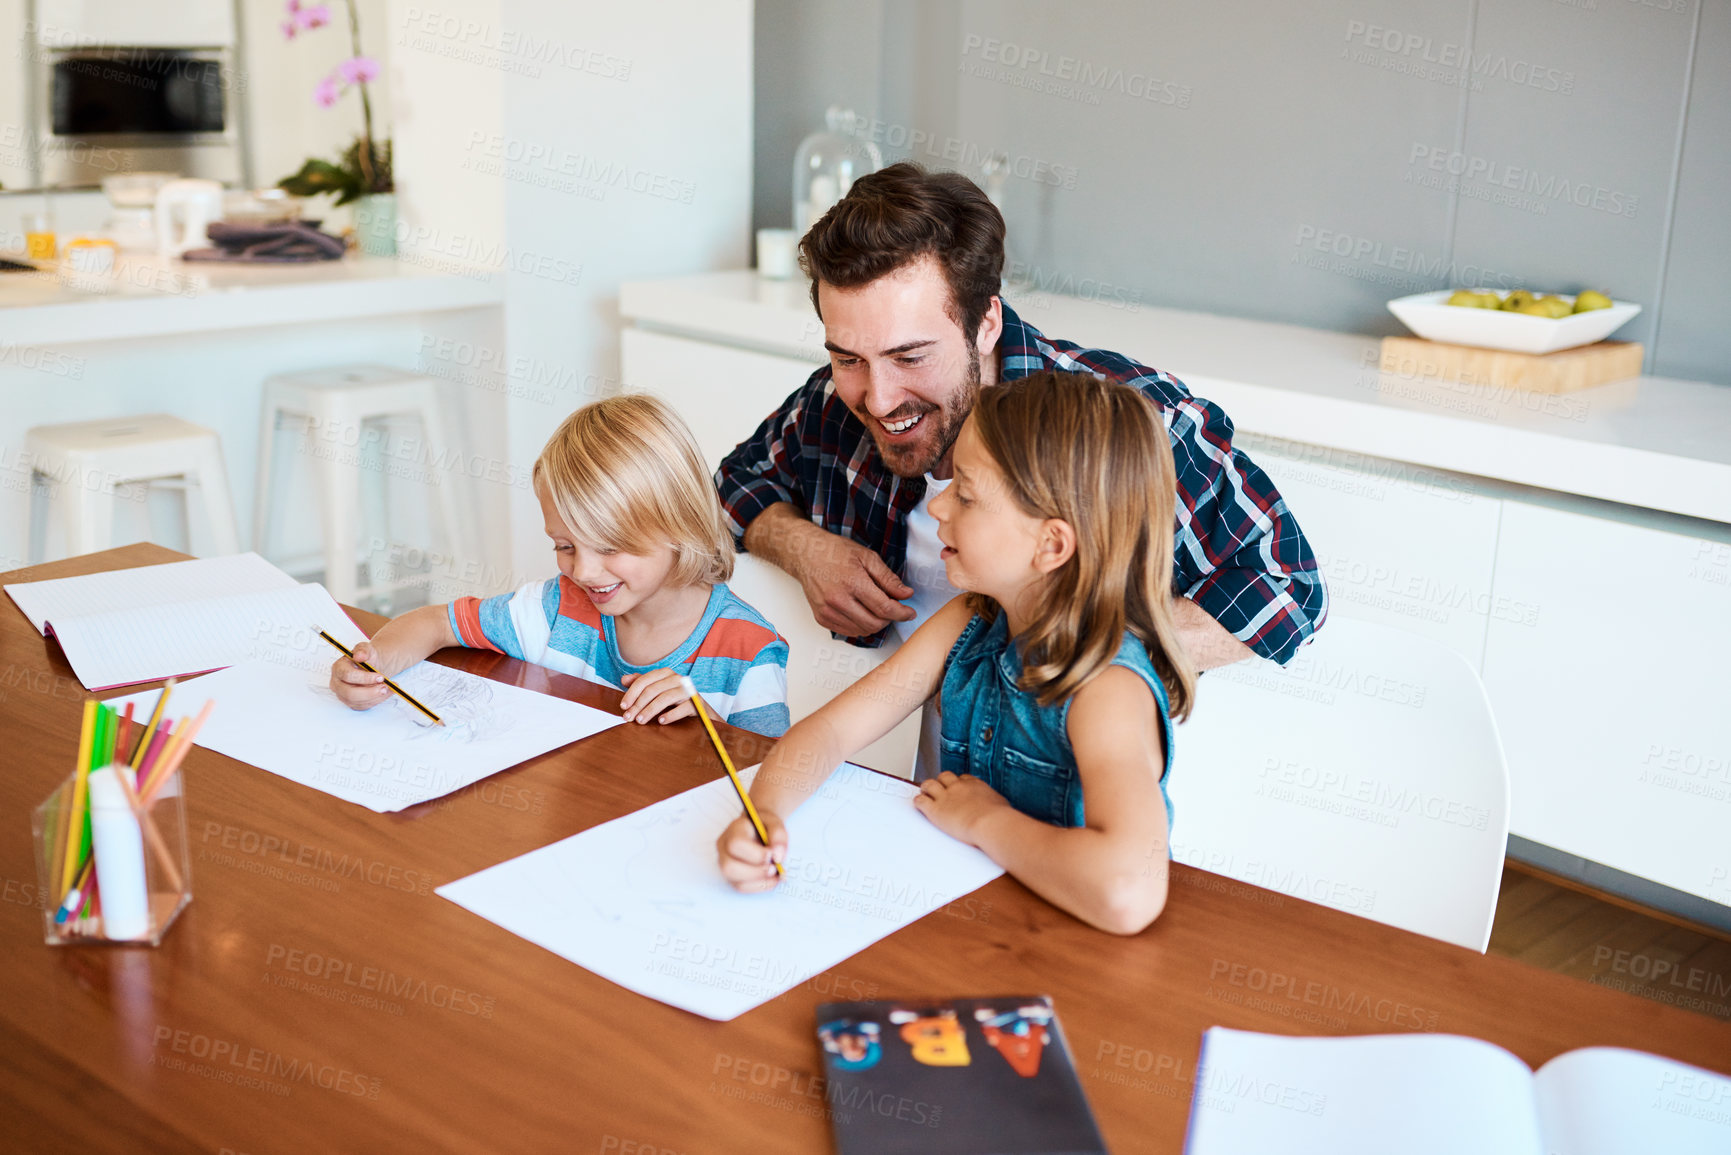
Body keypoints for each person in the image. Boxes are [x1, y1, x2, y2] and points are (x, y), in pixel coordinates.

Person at [715, 163, 1325, 714]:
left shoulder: (1123, 424)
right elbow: (734, 485)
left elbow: (1287, 588)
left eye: (910, 356)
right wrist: (802, 547)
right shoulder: (833, 401)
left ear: (986, 324)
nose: (876, 399)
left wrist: (1074, 654)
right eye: (848, 357)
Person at [717, 372, 1194, 935]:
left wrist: (984, 820)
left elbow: (1128, 893)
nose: (938, 509)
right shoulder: (971, 619)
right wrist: (765, 813)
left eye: (965, 494)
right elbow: (831, 733)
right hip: (966, 922)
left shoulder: (1108, 690)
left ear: (1051, 545)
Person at [331, 394, 791, 737]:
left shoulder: (749, 652)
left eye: (610, 546)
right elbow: (435, 624)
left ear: (681, 526)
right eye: (565, 545)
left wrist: (711, 727)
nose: (585, 573)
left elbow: (770, 774)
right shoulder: (556, 609)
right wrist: (376, 660)